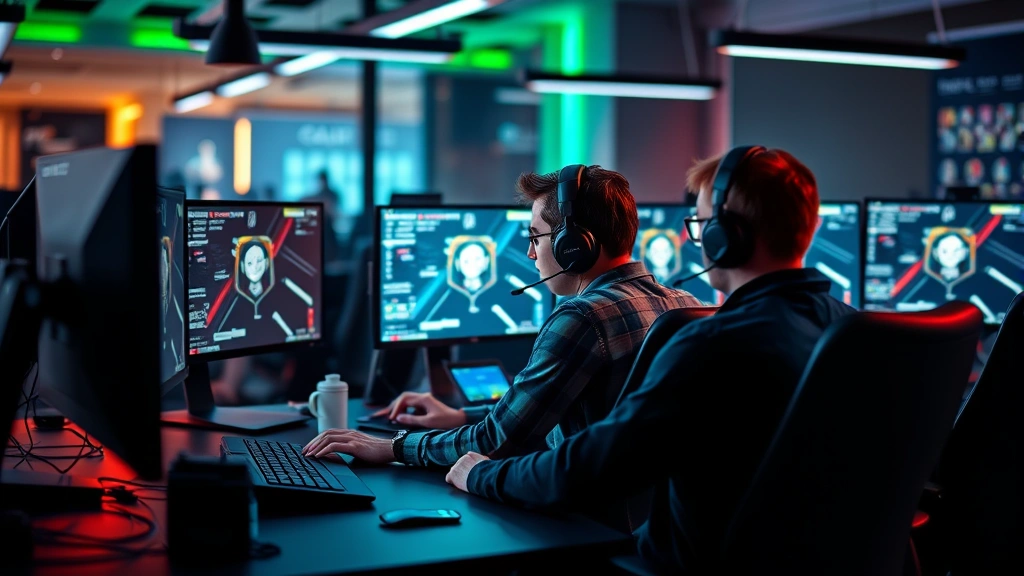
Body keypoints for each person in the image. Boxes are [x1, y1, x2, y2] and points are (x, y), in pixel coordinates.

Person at [443, 147, 855, 573]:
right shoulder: (855, 333)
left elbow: (589, 468)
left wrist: (481, 475)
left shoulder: (710, 344)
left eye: (701, 225)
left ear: (724, 235)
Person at [303, 166, 702, 472]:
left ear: (574, 246)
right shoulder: (684, 305)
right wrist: (463, 416)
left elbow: (497, 442)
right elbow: (548, 414)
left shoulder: (583, 317)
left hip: (583, 520)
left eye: (535, 237)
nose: (530, 254)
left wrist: (391, 446)